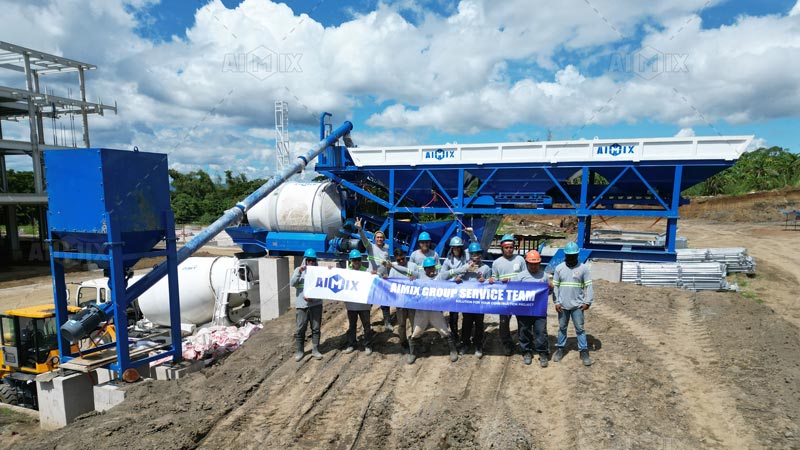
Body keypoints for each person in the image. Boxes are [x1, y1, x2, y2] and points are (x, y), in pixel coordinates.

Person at [391, 257, 459, 364]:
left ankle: (453, 350)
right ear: (424, 269)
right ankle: (413, 353)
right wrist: (392, 266)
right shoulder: (419, 276)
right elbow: (405, 271)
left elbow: (453, 272)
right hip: (421, 312)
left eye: (432, 267)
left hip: (435, 311)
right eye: (428, 268)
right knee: (416, 333)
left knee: (444, 331)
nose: (431, 270)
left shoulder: (440, 276)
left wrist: (466, 267)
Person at [552, 241, 593, 366]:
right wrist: (556, 302)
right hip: (562, 306)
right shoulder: (559, 268)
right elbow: (555, 287)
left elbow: (589, 286)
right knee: (562, 328)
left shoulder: (583, 268)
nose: (571, 258)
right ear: (565, 255)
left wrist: (588, 302)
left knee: (580, 329)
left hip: (578, 306)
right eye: (569, 256)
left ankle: (583, 350)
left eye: (573, 255)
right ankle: (560, 349)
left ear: (577, 255)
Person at [489, 234, 526, 356]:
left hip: (519, 296)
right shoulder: (496, 263)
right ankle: (507, 343)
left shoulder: (520, 260)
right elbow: (494, 279)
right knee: (504, 322)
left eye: (511, 247)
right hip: (504, 298)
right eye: (506, 247)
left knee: (522, 322)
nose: (509, 250)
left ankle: (523, 344)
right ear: (502, 248)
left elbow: (526, 277)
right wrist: (494, 281)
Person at [453, 242, 491, 358]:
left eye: (478, 254)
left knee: (479, 324)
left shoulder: (486, 268)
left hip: (480, 302)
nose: (477, 256)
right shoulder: (465, 267)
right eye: (474, 254)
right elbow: (456, 278)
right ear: (470, 256)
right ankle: (465, 343)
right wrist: (458, 278)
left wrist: (484, 280)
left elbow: (491, 284)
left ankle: (478, 345)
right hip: (467, 301)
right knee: (466, 323)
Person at [515, 250, 553, 367]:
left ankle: (542, 353)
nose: (533, 266)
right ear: (526, 263)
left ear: (539, 264)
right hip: (524, 310)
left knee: (541, 332)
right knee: (523, 331)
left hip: (539, 310)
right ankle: (526, 351)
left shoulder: (545, 276)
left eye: (536, 263)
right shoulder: (520, 277)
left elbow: (548, 293)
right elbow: (513, 291)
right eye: (531, 263)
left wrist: (550, 288)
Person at [355, 217, 393, 331]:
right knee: (369, 302)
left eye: (381, 237)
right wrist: (360, 230)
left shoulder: (387, 250)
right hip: (371, 279)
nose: (379, 239)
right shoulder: (370, 247)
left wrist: (389, 275)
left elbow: (388, 264)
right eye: (378, 237)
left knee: (385, 303)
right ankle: (366, 325)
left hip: (383, 279)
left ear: (384, 239)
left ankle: (387, 323)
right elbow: (364, 240)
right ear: (375, 239)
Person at [290, 248, 324, 362]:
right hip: (302, 306)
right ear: (305, 260)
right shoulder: (298, 270)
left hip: (316, 305)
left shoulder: (319, 272)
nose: (311, 263)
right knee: (300, 329)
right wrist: (299, 271)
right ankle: (300, 351)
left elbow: (323, 289)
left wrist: (313, 298)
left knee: (316, 328)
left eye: (313, 260)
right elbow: (293, 283)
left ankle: (315, 349)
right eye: (309, 260)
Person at [384, 247, 417, 353]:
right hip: (400, 303)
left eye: (403, 259)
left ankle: (414, 342)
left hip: (412, 302)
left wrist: (415, 278)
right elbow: (390, 284)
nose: (401, 261)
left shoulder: (413, 266)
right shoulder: (393, 270)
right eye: (399, 260)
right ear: (396, 259)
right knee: (401, 324)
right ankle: (403, 343)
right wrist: (386, 279)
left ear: (405, 256)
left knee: (414, 323)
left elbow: (422, 280)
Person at [344, 249, 374, 355]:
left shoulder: (366, 272)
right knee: (352, 326)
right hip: (351, 305)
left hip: (364, 305)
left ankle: (368, 345)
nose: (356, 262)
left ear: (361, 260)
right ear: (351, 260)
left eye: (358, 259)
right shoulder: (346, 272)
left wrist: (375, 274)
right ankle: (352, 344)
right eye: (354, 260)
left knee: (366, 326)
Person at [440, 236, 468, 344]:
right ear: (451, 248)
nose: (456, 249)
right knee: (453, 315)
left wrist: (470, 235)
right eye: (454, 247)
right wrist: (453, 277)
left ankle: (465, 336)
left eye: (458, 247)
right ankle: (455, 334)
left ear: (461, 248)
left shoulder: (466, 257)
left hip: (464, 290)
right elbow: (442, 275)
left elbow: (476, 246)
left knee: (466, 315)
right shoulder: (448, 261)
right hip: (453, 291)